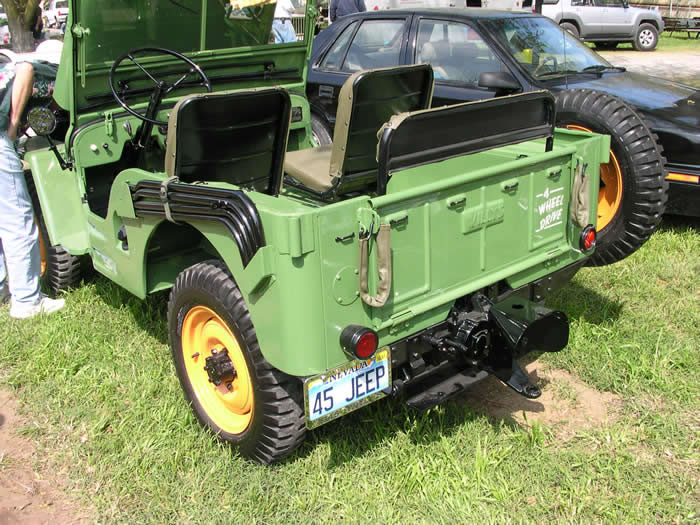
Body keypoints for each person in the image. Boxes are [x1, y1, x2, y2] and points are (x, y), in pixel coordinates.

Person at [0, 61, 65, 319]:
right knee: (18, 220)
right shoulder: (53, 71)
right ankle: (27, 301)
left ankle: (3, 288)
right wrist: (13, 127)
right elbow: (26, 69)